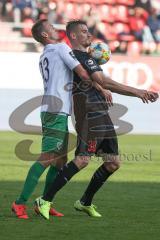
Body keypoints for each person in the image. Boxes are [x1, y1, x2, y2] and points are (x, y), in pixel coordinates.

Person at [35, 20, 159, 220]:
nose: (89, 35)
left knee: (113, 163)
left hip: (101, 112)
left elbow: (94, 80)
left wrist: (101, 88)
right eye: (84, 32)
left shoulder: (86, 57)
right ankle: (45, 199)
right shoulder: (76, 55)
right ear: (73, 36)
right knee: (83, 159)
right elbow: (101, 79)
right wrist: (138, 91)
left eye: (88, 31)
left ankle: (84, 202)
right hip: (88, 114)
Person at [12, 19, 105, 219]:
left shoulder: (44, 55)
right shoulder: (61, 48)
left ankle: (45, 201)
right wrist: (101, 86)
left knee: (60, 161)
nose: (57, 29)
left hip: (55, 110)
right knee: (48, 157)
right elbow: (82, 73)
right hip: (55, 110)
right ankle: (19, 203)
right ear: (45, 35)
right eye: (52, 28)